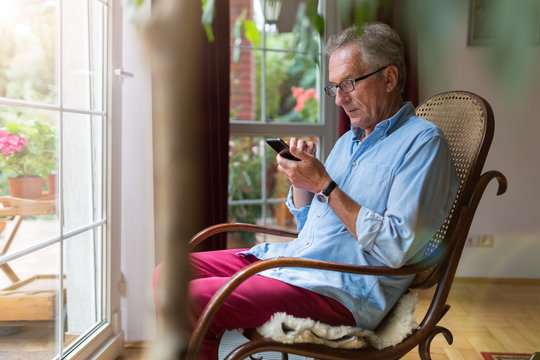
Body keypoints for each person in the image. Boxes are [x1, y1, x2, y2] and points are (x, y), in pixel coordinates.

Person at [153, 22, 459, 359]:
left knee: (193, 299)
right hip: (301, 263)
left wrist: (324, 185)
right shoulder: (348, 142)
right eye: (334, 87)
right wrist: (304, 184)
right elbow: (312, 228)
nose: (340, 98)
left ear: (389, 78)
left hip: (338, 289)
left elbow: (398, 247)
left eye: (349, 83)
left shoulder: (422, 144)